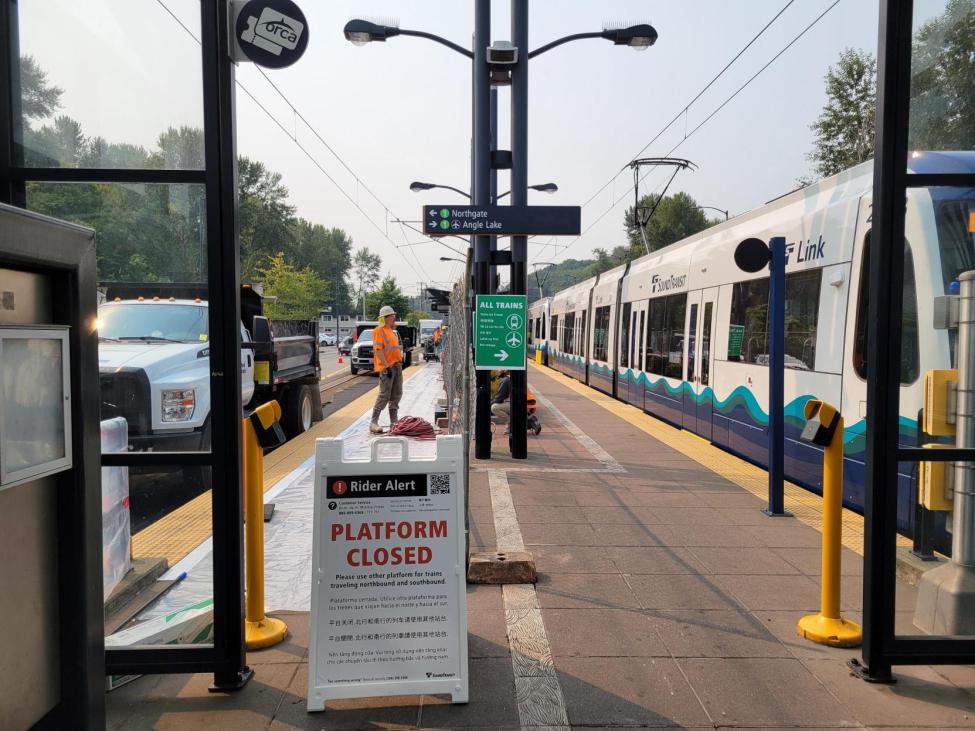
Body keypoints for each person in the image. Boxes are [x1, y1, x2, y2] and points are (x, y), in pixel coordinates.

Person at [369, 305, 404, 434]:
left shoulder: (391, 331)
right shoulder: (379, 331)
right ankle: (374, 422)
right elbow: (378, 350)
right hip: (387, 368)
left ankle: (394, 422)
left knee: (396, 395)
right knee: (384, 395)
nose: (394, 317)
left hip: (396, 366)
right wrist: (386, 367)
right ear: (385, 318)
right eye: (392, 315)